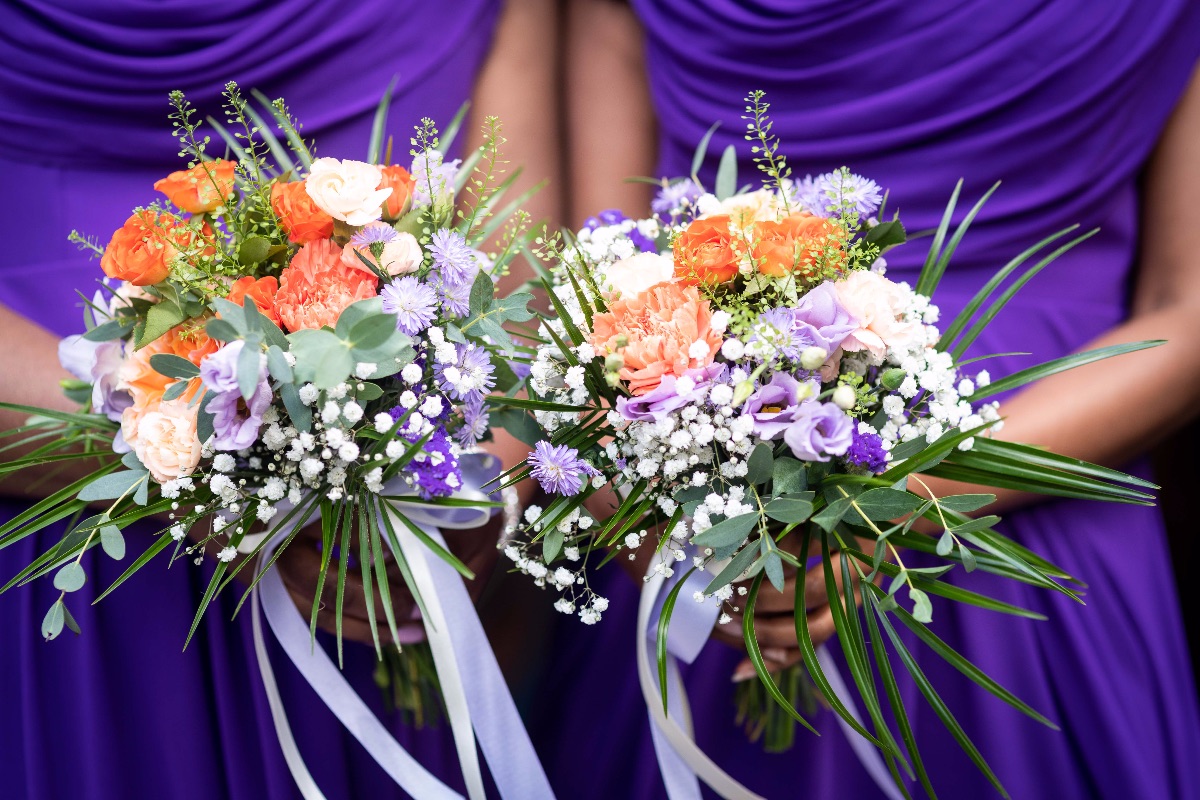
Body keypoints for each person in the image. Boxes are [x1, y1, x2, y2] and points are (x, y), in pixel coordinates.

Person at [532, 0, 1200, 797]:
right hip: (700, 499)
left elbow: (1186, 309)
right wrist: (639, 496)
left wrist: (888, 498)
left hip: (1035, 483)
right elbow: (596, 290)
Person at [0, 1, 561, 798]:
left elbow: (520, 259)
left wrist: (472, 495)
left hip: (389, 531)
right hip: (71, 516)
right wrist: (205, 445)